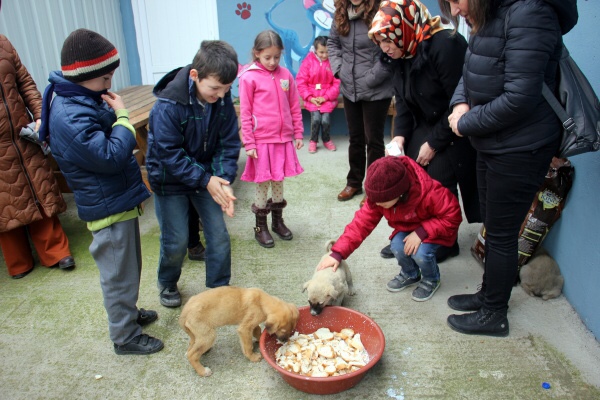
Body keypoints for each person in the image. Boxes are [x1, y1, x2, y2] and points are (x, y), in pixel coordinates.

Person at [439, 0, 577, 336]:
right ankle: (489, 293)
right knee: (493, 221)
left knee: (501, 233)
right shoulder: (488, 12)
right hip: (493, 139)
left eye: (456, 1)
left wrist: (466, 121)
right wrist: (460, 105)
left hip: (521, 145)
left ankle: (494, 314)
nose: (455, 11)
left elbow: (520, 96)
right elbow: (471, 71)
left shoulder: (531, 12)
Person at [42, 29, 162, 354]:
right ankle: (125, 337)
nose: (110, 84)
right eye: (105, 77)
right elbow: (110, 155)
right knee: (117, 276)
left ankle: (129, 313)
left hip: (117, 201)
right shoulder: (69, 114)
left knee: (128, 268)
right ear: (85, 76)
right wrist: (122, 116)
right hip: (107, 209)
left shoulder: (82, 98)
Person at [368, 0, 480, 263]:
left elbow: (459, 101)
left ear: (404, 29)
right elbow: (403, 100)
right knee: (410, 174)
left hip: (454, 123)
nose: (384, 47)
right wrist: (399, 136)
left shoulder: (444, 45)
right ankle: (411, 231)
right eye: (380, 41)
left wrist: (433, 143)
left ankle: (446, 240)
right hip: (424, 120)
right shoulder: (401, 50)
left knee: (439, 175)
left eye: (388, 40)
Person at [146, 40, 241, 308]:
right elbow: (170, 154)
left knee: (219, 236)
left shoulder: (220, 99)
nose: (221, 95)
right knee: (175, 240)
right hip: (170, 180)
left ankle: (218, 289)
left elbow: (228, 143)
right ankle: (167, 281)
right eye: (215, 88)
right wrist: (207, 180)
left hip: (206, 176)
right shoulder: (167, 105)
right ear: (194, 76)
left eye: (227, 89)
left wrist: (223, 181)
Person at [317, 156, 462, 302]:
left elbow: (452, 215)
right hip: (408, 226)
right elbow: (360, 224)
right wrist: (337, 253)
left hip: (433, 229)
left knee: (420, 254)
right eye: (374, 200)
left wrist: (421, 232)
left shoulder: (429, 193)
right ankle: (410, 273)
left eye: (382, 202)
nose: (377, 205)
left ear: (399, 193)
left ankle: (431, 279)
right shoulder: (379, 198)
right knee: (397, 246)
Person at [0, 35, 76, 279]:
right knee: (5, 201)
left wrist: (40, 116)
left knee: (39, 187)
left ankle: (55, 251)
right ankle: (18, 262)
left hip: (22, 132)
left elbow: (25, 82)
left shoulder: (4, 43)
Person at [238, 30, 304, 248]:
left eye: (277, 57)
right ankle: (260, 227)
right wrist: (249, 142)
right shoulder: (249, 77)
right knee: (262, 183)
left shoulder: (286, 75)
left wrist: (298, 133)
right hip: (261, 141)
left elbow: (294, 105)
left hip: (282, 139)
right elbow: (245, 113)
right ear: (257, 53)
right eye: (267, 57)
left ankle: (277, 222)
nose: (273, 62)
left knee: (278, 181)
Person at [328, 0, 394, 206]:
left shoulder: (382, 13)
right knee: (355, 138)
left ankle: (374, 189)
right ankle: (354, 182)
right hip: (350, 87)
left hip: (376, 88)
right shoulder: (341, 12)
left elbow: (389, 51)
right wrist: (339, 70)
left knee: (373, 141)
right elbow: (333, 44)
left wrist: (370, 78)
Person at [295, 35, 340, 154]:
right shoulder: (308, 61)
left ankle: (326, 139)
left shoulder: (333, 62)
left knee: (325, 120)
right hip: (312, 97)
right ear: (315, 50)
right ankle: (313, 141)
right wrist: (310, 97)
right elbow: (301, 81)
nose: (324, 55)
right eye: (321, 52)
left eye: (327, 52)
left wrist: (326, 97)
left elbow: (337, 83)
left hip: (327, 98)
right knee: (315, 119)